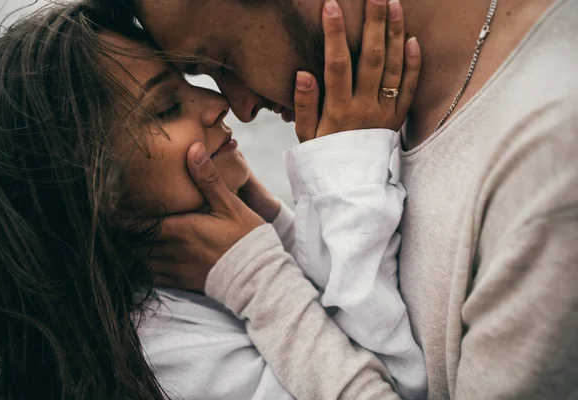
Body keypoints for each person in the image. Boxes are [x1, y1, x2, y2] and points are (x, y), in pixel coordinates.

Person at [123, 0, 578, 398]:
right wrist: (281, 229)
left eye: (222, 61)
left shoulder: (550, 159)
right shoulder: (359, 117)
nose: (239, 107)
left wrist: (259, 282)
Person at [0, 1, 423, 399]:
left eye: (191, 80)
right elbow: (402, 384)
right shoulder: (171, 362)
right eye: (166, 107)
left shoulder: (181, 293)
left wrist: (272, 226)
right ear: (92, 191)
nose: (216, 103)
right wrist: (261, 276)